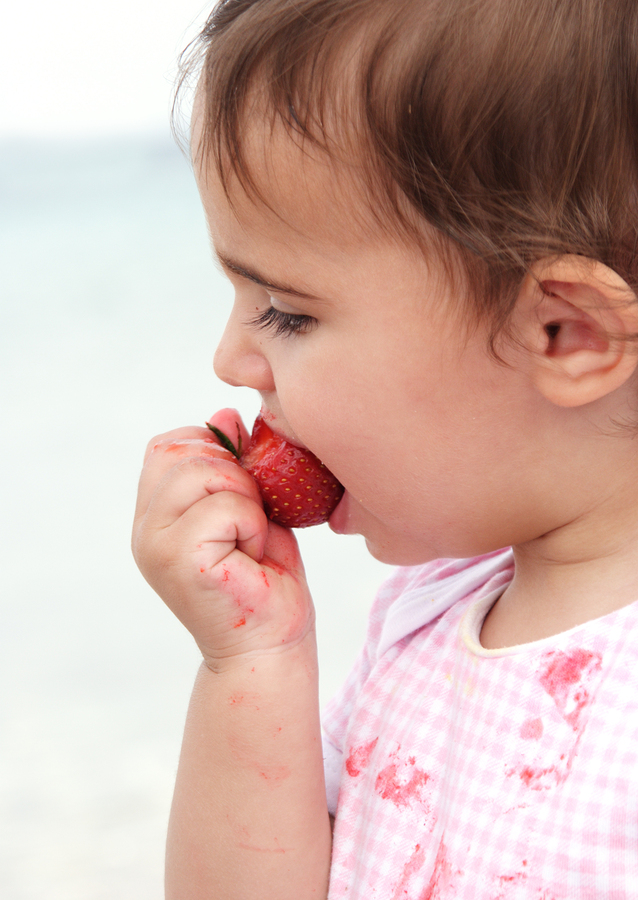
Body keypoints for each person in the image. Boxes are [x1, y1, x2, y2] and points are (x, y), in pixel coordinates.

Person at [132, 0, 638, 896]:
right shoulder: (420, 618)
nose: (231, 358)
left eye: (288, 310)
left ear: (565, 333)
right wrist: (254, 663)